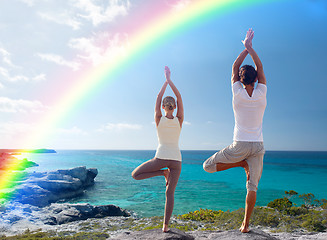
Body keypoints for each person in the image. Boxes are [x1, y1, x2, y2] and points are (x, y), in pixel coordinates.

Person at [203, 28, 267, 233]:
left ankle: (241, 164)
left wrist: (244, 49)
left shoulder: (236, 92)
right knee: (252, 187)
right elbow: (260, 66)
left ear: (240, 79)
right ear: (256, 79)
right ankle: (246, 224)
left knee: (207, 166)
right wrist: (251, 48)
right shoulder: (262, 92)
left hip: (239, 144)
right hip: (257, 146)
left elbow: (234, 67)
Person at [131, 66, 184, 232]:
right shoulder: (180, 119)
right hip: (176, 160)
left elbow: (158, 96)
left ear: (163, 107)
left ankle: (162, 173)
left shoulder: (158, 118)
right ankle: (165, 226)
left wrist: (165, 81)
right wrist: (170, 80)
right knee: (169, 194)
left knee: (135, 175)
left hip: (160, 158)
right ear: (174, 107)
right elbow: (179, 96)